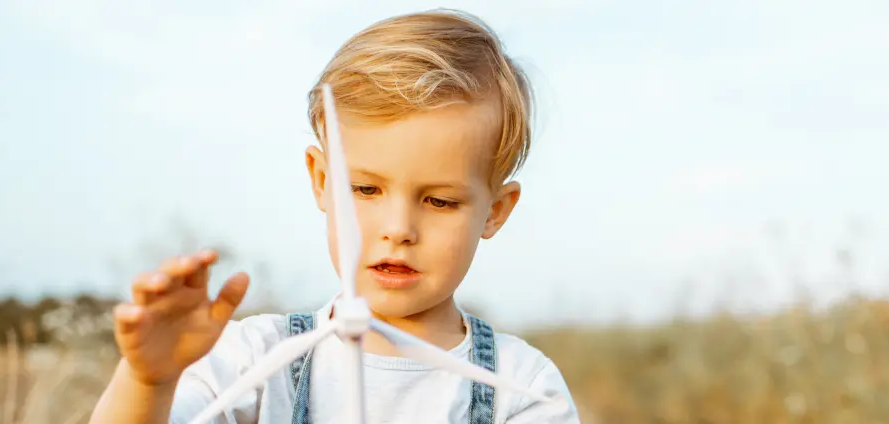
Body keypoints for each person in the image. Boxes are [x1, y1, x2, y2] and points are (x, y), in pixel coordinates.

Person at [88, 8, 579, 424]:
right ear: (322, 180)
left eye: (440, 201)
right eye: (365, 188)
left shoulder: (522, 388)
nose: (398, 230)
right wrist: (149, 380)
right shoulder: (256, 358)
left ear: (495, 212)